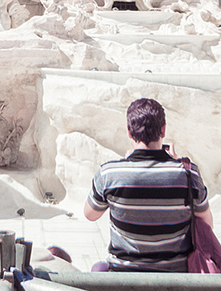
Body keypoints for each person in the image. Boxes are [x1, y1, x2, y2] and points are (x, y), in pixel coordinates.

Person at [85, 98, 212, 272]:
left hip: (124, 279)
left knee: (97, 269)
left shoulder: (109, 173)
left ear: (129, 132)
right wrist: (177, 164)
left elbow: (90, 214)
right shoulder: (189, 174)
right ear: (163, 130)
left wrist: (125, 163)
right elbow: (207, 224)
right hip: (177, 279)